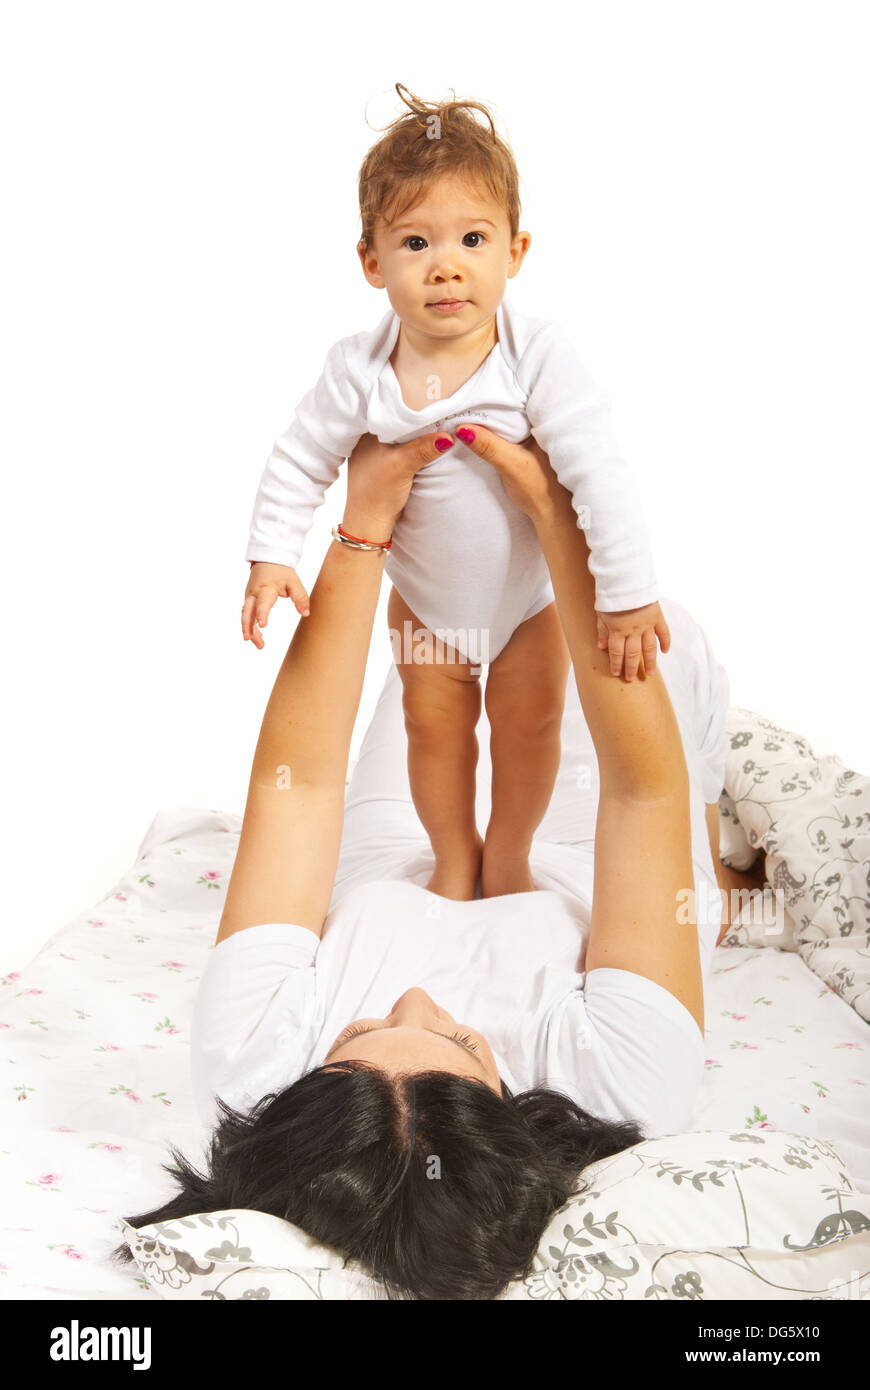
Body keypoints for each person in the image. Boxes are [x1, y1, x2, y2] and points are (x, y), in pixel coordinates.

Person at [114, 425, 763, 1301]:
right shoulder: (624, 1088)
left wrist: (363, 527)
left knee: (445, 642)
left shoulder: (252, 1066)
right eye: (461, 1039)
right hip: (586, 851)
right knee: (664, 645)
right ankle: (717, 871)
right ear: (513, 1109)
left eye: (357, 1030)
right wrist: (560, 524)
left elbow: (301, 784)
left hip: (398, 853)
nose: (416, 996)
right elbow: (643, 797)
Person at [241, 83, 671, 900]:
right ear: (372, 262)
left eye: (473, 238)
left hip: (526, 605)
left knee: (529, 730)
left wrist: (626, 595)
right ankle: (452, 853)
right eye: (414, 242)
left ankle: (508, 853)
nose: (446, 264)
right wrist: (271, 556)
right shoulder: (360, 371)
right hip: (427, 608)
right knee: (433, 734)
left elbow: (598, 472)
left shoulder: (534, 355)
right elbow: (299, 457)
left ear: (515, 251)